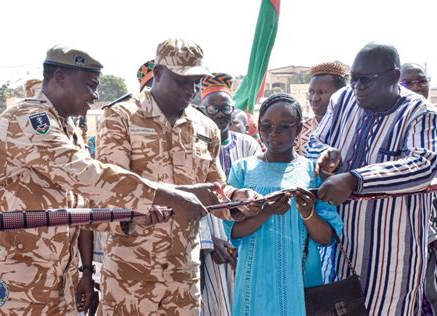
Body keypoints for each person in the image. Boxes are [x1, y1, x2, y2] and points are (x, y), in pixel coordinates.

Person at [0, 45, 211, 315]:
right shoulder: (27, 119)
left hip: (54, 278)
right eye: (90, 85)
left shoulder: (68, 129)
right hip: (10, 276)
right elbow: (86, 173)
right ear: (60, 78)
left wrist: (132, 216)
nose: (95, 95)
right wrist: (168, 196)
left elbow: (82, 205)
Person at [96, 38, 264, 315]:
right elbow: (111, 185)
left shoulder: (205, 127)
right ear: (158, 74)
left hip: (183, 275)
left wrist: (238, 198)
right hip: (131, 275)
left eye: (196, 81)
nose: (191, 89)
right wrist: (179, 196)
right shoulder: (121, 117)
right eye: (182, 80)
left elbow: (215, 188)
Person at [308, 43, 437, 315]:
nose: (356, 86)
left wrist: (355, 180)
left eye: (365, 80)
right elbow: (314, 142)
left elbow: (424, 164)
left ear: (393, 77)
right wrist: (325, 155)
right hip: (342, 246)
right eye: (353, 79)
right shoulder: (342, 101)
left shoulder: (420, 112)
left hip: (393, 253)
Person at [224, 93, 343, 315]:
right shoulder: (242, 170)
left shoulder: (312, 172)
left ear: (298, 130)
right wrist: (267, 211)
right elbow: (234, 232)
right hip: (254, 279)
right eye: (266, 126)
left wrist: (308, 214)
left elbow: (327, 238)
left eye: (283, 127)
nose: (273, 134)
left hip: (301, 277)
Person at [199, 72, 262, 316]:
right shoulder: (193, 148)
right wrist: (210, 240)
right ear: (202, 111)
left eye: (225, 108)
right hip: (210, 244)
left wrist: (237, 238)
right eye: (212, 109)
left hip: (246, 237)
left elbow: (256, 195)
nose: (219, 115)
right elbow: (192, 198)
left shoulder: (248, 145)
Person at [400, 64, 437, 315]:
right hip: (418, 241)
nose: (416, 87)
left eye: (421, 81)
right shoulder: (397, 138)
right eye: (408, 83)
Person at [294, 61, 348, 156]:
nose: (314, 98)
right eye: (311, 92)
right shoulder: (300, 128)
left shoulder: (351, 126)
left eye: (322, 92)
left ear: (340, 94)